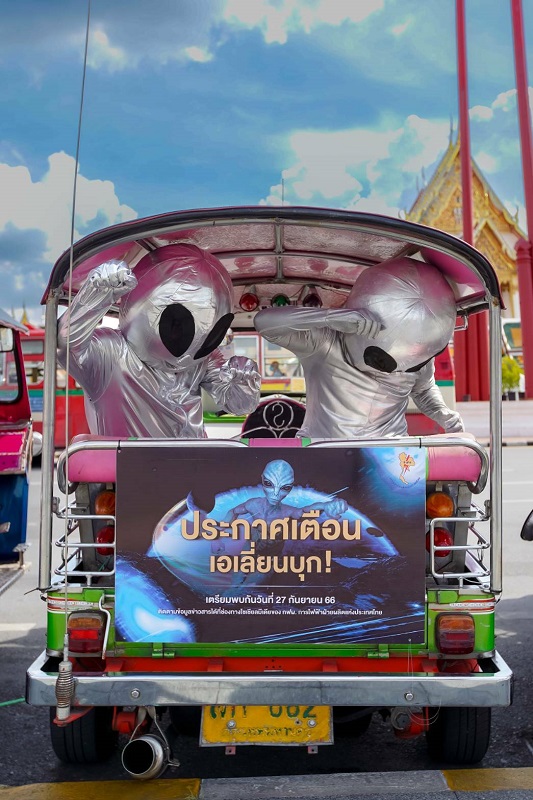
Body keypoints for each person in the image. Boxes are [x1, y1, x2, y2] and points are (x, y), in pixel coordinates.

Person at [58, 243, 261, 438]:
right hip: (128, 462)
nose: (187, 340)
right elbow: (65, 345)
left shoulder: (202, 361)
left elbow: (239, 404)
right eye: (176, 324)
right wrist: (97, 293)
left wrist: (243, 382)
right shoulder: (110, 354)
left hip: (193, 459)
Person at [254, 257, 464, 439]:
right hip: (325, 455)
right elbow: (264, 323)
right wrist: (330, 317)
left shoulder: (416, 354)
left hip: (390, 456)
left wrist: (443, 413)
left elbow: (424, 389)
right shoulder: (325, 341)